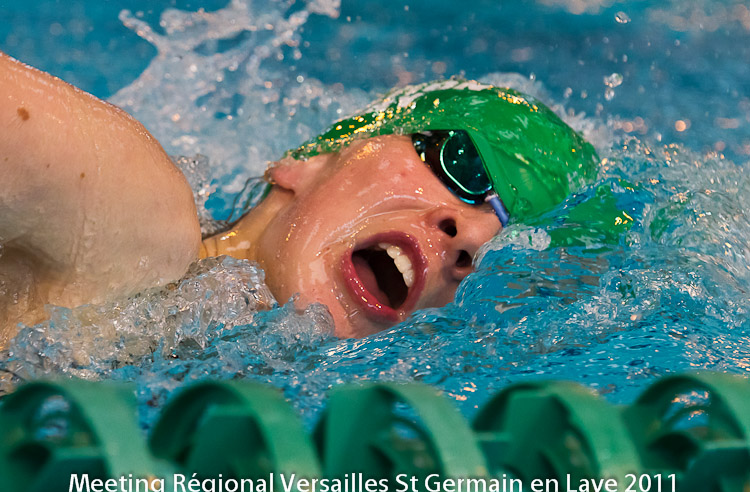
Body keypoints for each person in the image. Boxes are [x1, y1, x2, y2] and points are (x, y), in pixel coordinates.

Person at [0, 51, 598, 344]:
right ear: (308, 162)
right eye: (461, 164)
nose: (471, 236)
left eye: (504, 244)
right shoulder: (136, 219)